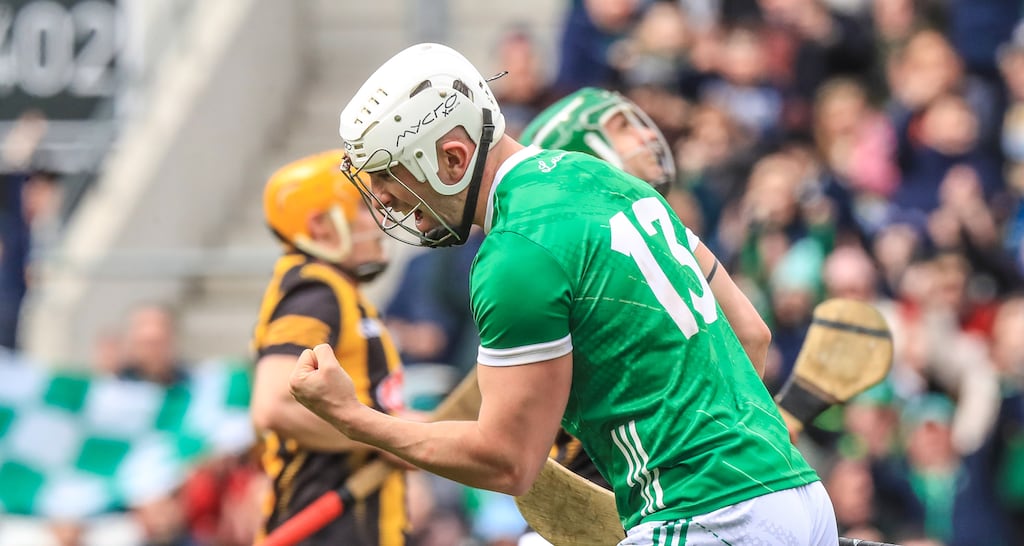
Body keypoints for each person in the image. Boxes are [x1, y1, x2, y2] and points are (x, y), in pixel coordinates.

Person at [292, 43, 835, 545]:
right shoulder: (605, 178)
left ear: (454, 159)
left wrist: (353, 417)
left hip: (712, 513)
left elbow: (508, 463)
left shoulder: (515, 252)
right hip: (802, 498)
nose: (387, 199)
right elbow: (750, 334)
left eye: (393, 176)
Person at [250, 150, 408, 545]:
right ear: (321, 226)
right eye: (358, 205)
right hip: (323, 528)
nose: (376, 215)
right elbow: (274, 405)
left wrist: (407, 431)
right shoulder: (315, 291)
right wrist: (389, 436)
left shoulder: (343, 292)